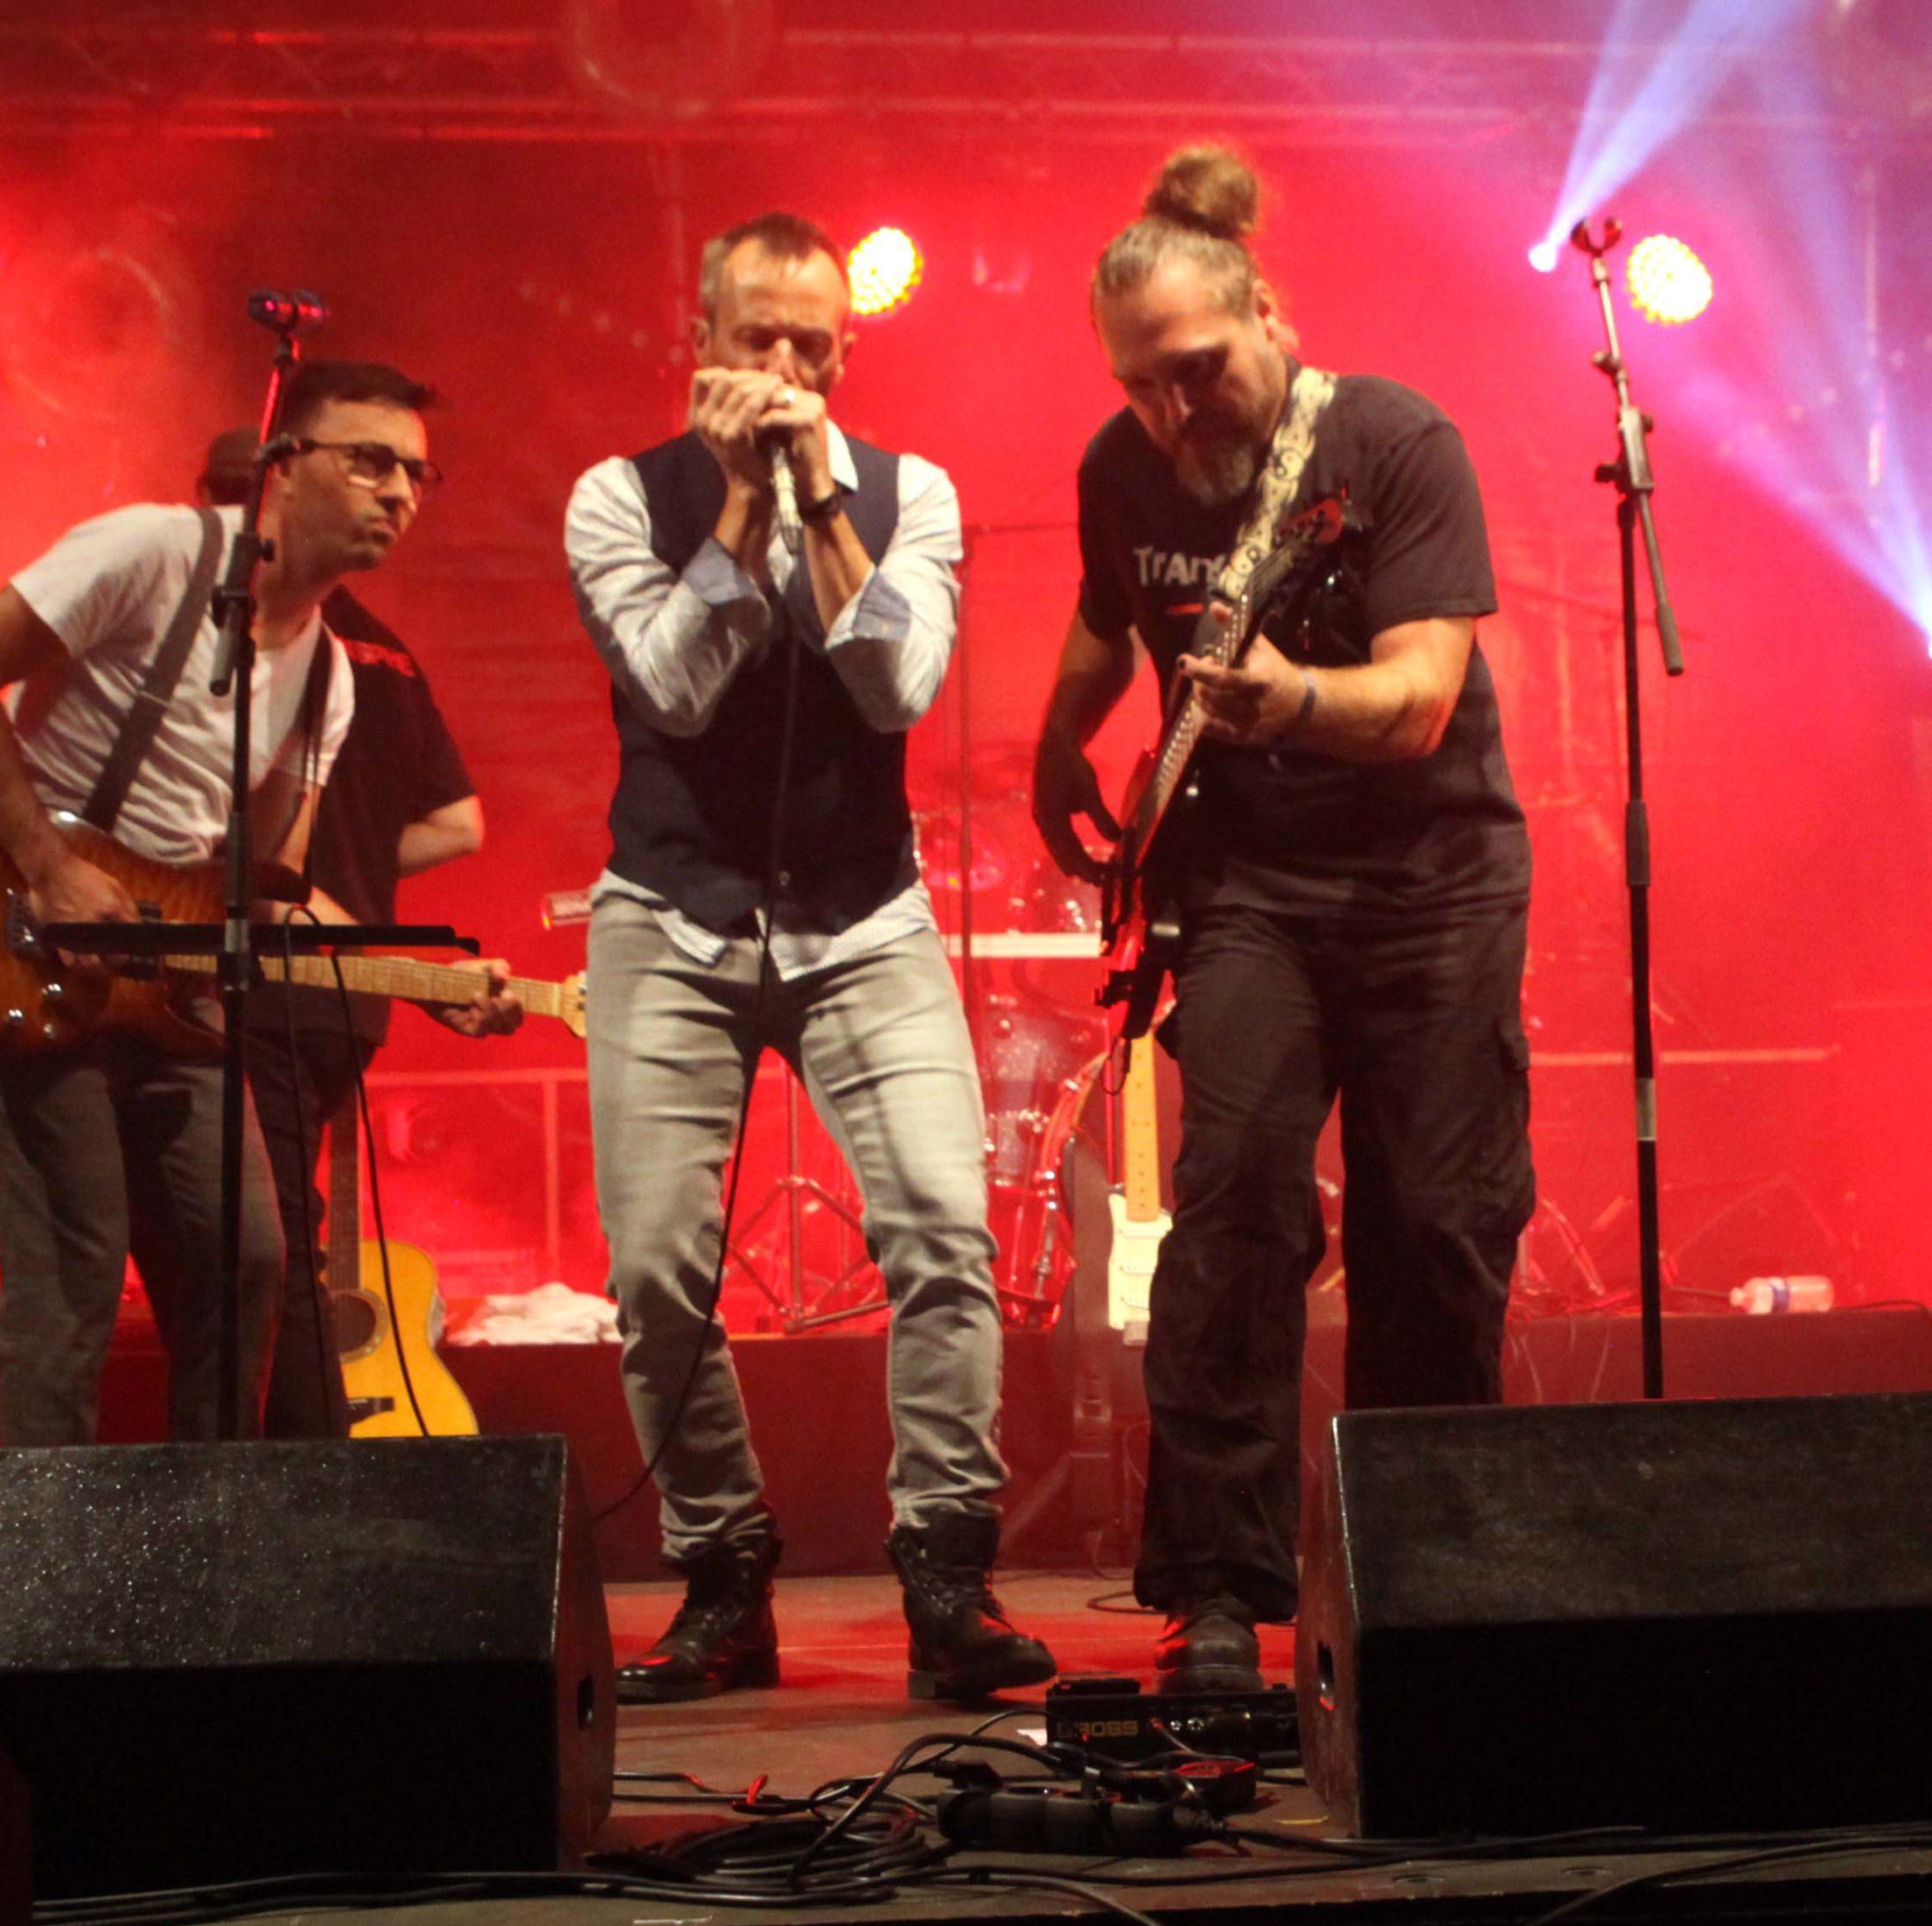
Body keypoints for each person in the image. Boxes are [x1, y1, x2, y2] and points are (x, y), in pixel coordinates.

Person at [1032, 146, 1534, 1691]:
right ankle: (1216, 1593)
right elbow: (1107, 616)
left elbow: (1422, 697)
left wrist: (1290, 699)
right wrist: (1060, 737)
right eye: (1141, 384)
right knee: (1236, 1200)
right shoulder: (1120, 467)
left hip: (1429, 883)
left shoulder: (1391, 442)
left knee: (1431, 1226)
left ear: (1270, 316)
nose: (1174, 410)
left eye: (1199, 368)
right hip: (1248, 883)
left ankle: (1423, 1573)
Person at [564, 212, 1056, 1704]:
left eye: (810, 342)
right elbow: (673, 690)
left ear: (846, 351)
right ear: (701, 341)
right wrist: (735, 507)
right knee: (657, 1267)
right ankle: (724, 1576)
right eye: (755, 336)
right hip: (671, 911)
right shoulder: (617, 496)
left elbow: (897, 685)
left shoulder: (914, 494)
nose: (782, 366)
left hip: (863, 918)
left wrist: (821, 506)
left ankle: (947, 1571)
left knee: (946, 1235)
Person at [0, 360, 436, 1443]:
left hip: (166, 986)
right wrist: (48, 862)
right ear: (284, 464)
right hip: (19, 938)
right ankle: (47, 1545)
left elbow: (266, 891)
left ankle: (207, 1531)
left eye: (416, 474)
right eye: (370, 461)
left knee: (249, 1257)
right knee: (75, 1268)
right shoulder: (151, 552)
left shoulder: (331, 678)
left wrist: (436, 984)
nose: (398, 492)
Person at [192, 429, 523, 1441]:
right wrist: (361, 884)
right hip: (348, 993)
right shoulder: (387, 647)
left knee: (269, 1254)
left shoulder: (247, 631)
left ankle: (313, 1476)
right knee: (284, 1239)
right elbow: (461, 823)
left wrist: (313, 889)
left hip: (259, 978)